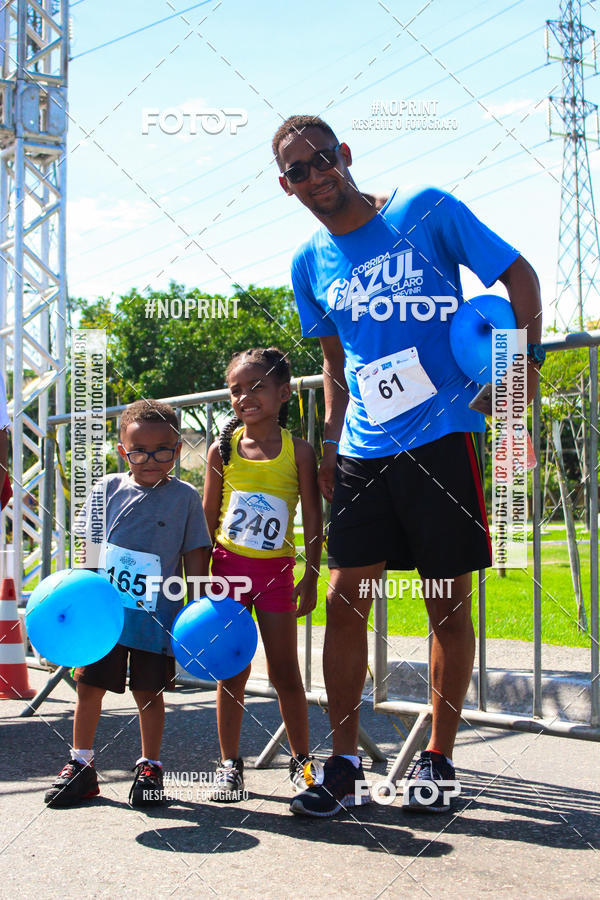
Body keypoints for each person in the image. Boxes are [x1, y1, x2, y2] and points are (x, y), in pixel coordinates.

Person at [272, 115, 543, 817]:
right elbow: (334, 363)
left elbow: (519, 274)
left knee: (444, 605)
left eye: (322, 159)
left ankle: (439, 761)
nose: (315, 176)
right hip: (364, 450)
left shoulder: (425, 209)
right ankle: (343, 767)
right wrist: (331, 445)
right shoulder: (308, 260)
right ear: (286, 185)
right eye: (297, 170)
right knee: (344, 603)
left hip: (441, 437)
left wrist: (519, 369)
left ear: (345, 156)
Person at [44, 399, 211, 808]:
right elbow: (90, 553)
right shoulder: (106, 490)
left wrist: (199, 610)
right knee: (89, 688)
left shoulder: (186, 498)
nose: (150, 459)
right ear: (123, 450)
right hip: (105, 619)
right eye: (139, 450)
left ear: (177, 449)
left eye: (163, 450)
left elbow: (195, 560)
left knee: (150, 694)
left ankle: (150, 767)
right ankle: (81, 766)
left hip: (157, 620)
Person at [203, 347, 322, 801]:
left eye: (256, 387)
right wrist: (197, 577)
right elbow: (207, 515)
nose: (244, 397)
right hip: (227, 574)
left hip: (275, 575)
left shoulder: (300, 452)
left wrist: (310, 576)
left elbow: (313, 517)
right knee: (230, 671)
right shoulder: (222, 450)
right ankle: (229, 766)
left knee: (285, 673)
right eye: (236, 390)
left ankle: (302, 764)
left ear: (283, 392)